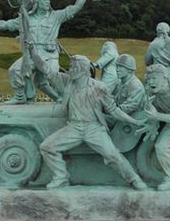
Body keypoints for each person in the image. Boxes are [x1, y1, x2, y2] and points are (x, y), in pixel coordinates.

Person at [29, 44, 148, 190]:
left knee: (112, 155)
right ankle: (61, 177)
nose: (70, 70)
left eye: (73, 67)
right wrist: (33, 52)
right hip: (73, 127)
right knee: (47, 147)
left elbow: (114, 111)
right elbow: (46, 70)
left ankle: (134, 179)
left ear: (82, 69)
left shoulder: (99, 88)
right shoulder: (66, 82)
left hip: (94, 128)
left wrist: (134, 121)